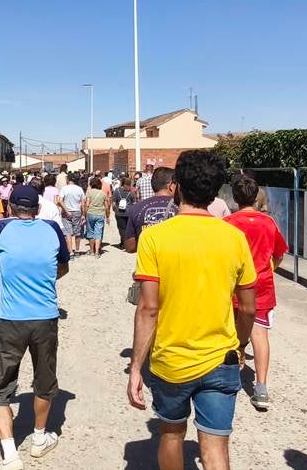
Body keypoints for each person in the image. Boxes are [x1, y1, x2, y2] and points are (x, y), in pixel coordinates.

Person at [128, 150, 257, 470]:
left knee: (171, 435)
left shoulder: (155, 238)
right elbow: (249, 308)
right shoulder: (235, 237)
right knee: (215, 448)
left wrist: (135, 367)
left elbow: (148, 308)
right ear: (215, 191)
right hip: (221, 357)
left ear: (177, 186)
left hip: (172, 359)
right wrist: (239, 345)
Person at [0, 186, 71, 469]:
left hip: (11, 318)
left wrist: (6, 276)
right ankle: (39, 437)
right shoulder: (52, 230)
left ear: (10, 207)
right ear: (37, 207)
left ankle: (10, 454)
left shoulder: (1, 229)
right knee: (44, 378)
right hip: (45, 316)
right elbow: (63, 267)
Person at [224, 175, 288, 410]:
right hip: (261, 287)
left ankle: (228, 379)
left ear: (234, 197)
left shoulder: (228, 222)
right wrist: (268, 269)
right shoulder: (269, 223)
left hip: (233, 287)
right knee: (260, 336)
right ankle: (261, 388)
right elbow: (280, 253)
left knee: (230, 332)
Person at [124, 167, 176, 253]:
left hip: (148, 263)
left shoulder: (136, 208)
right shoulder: (182, 207)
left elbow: (130, 247)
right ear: (170, 185)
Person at [58, 173, 86, 258]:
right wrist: (84, 214)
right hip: (77, 211)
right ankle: (77, 250)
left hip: (67, 212)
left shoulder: (64, 189)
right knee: (77, 232)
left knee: (68, 233)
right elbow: (83, 203)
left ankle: (70, 252)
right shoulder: (79, 189)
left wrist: (66, 210)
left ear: (68, 180)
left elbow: (60, 200)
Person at [83, 176, 109, 257]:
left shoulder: (89, 192)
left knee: (90, 232)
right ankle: (97, 252)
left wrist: (84, 214)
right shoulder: (103, 193)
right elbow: (107, 206)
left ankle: (91, 250)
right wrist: (107, 216)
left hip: (90, 213)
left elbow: (87, 204)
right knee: (98, 233)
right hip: (100, 214)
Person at [112, 177, 136, 249]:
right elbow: (133, 201)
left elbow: (113, 202)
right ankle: (124, 242)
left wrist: (114, 209)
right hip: (129, 212)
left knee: (121, 229)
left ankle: (124, 243)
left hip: (119, 212)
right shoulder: (131, 192)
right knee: (128, 228)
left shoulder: (117, 191)